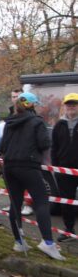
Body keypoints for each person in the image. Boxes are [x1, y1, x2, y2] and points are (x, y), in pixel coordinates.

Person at [0, 92, 65, 261]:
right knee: (41, 201)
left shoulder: (9, 122)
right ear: (33, 105)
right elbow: (44, 143)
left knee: (15, 202)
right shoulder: (37, 122)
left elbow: (2, 145)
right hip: (28, 165)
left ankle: (19, 241)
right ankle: (48, 242)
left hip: (9, 166)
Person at [52, 93, 78, 242]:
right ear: (65, 106)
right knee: (66, 202)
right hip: (64, 171)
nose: (71, 106)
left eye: (74, 103)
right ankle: (69, 230)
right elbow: (54, 148)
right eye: (69, 104)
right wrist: (56, 168)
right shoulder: (59, 125)